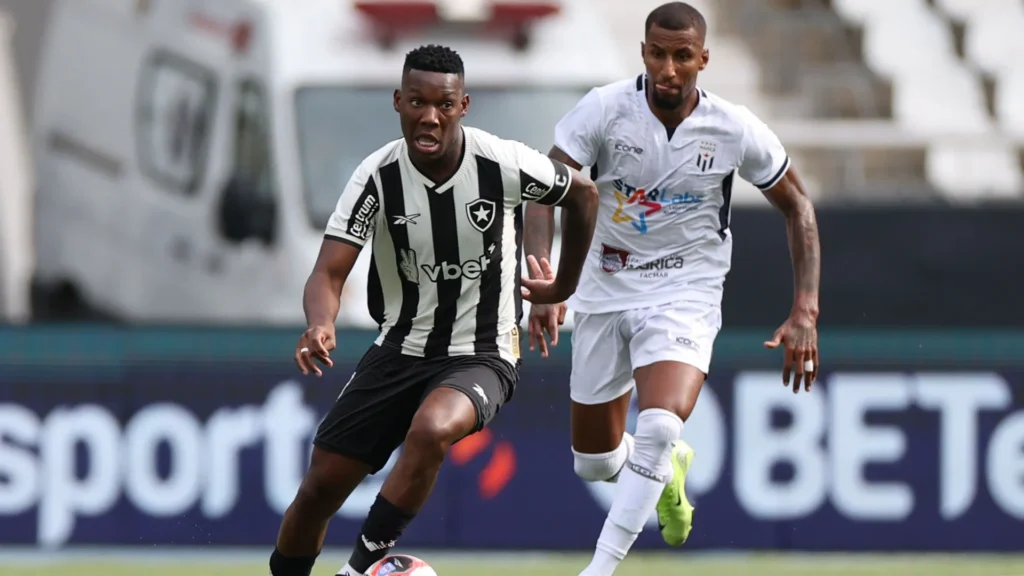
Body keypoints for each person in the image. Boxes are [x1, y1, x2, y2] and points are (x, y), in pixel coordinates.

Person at [268, 44, 599, 576]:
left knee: (431, 429)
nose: (430, 116)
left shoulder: (501, 162)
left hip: (483, 351)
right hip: (398, 349)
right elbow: (329, 272)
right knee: (317, 492)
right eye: (417, 102)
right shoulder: (377, 177)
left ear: (463, 106)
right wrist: (320, 323)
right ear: (398, 101)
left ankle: (358, 571)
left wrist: (562, 285)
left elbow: (582, 194)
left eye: (444, 104)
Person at [524, 3, 821, 575]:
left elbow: (798, 206)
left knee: (659, 425)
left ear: (703, 59)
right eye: (658, 54)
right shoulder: (604, 109)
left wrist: (805, 309)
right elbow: (545, 190)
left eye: (682, 56)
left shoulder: (733, 126)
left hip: (685, 290)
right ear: (643, 52)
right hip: (605, 288)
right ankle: (664, 471)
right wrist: (547, 281)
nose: (668, 68)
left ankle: (598, 569)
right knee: (595, 462)